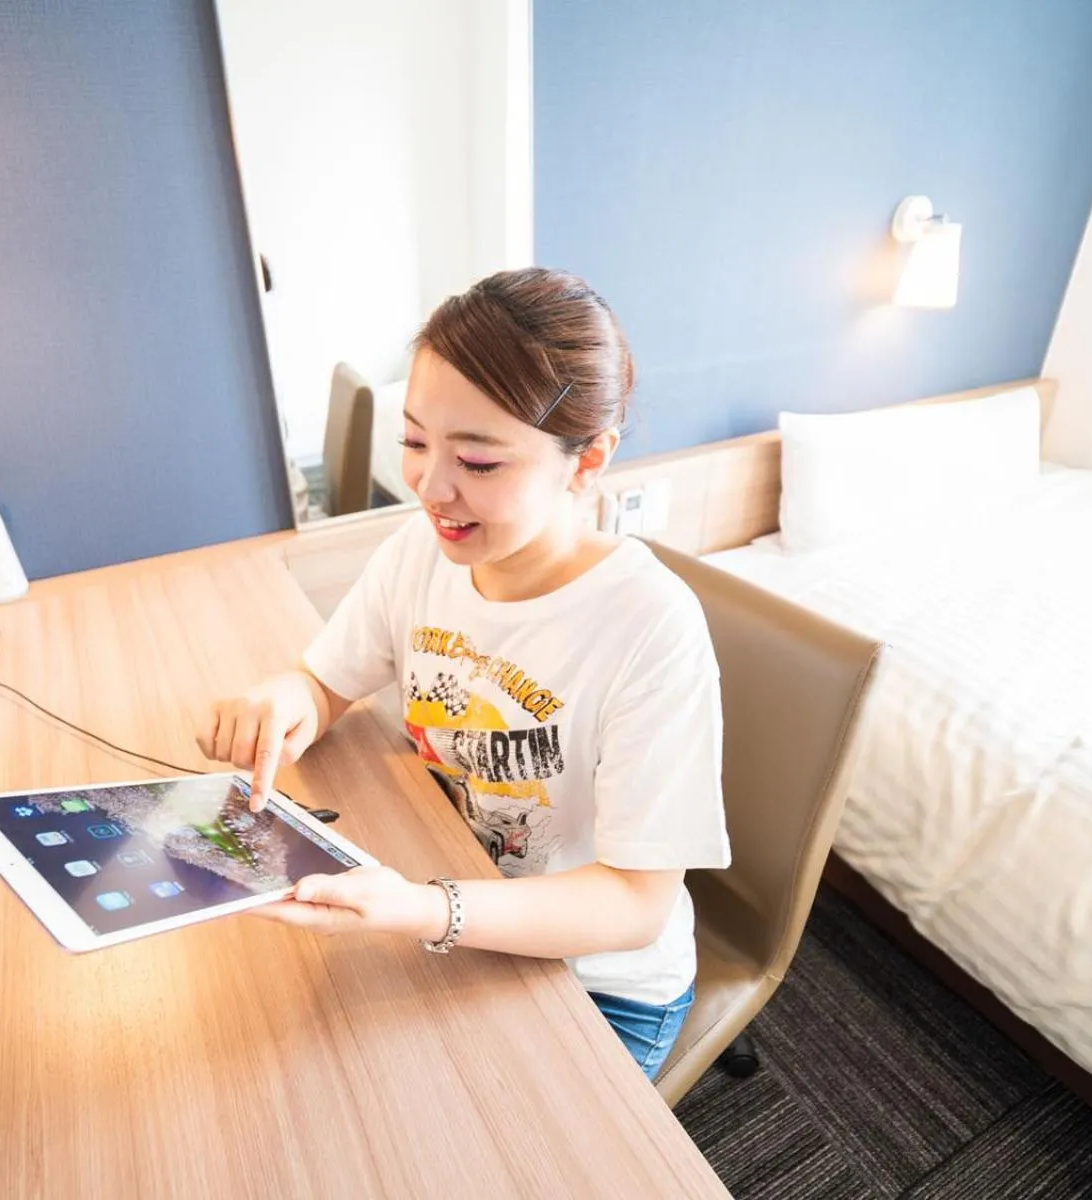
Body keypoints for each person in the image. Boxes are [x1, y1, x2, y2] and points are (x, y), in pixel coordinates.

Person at [200, 267, 729, 1079]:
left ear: (586, 462)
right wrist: (284, 699)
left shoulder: (648, 626)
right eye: (415, 442)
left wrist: (421, 907)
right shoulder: (427, 552)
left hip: (595, 980)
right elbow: (326, 681)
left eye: (479, 463)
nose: (430, 487)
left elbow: (634, 902)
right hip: (455, 898)